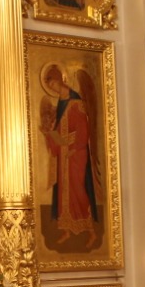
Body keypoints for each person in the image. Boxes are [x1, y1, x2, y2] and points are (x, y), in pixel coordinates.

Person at [40, 63, 100, 249]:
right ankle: (66, 229)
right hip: (64, 155)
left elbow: (83, 130)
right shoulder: (61, 104)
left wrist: (74, 148)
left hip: (76, 154)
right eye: (50, 87)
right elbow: (59, 129)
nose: (53, 89)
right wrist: (49, 134)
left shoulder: (77, 103)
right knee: (63, 191)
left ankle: (90, 231)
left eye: (54, 85)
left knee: (78, 190)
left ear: (61, 80)